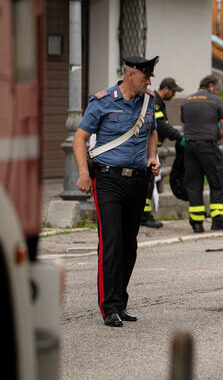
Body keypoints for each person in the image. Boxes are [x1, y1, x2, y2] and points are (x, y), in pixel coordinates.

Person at [72, 56, 161, 327]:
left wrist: (152, 157)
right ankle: (108, 306)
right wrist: (84, 174)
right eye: (145, 77)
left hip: (137, 180)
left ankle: (121, 302)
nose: (148, 82)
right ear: (131, 74)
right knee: (111, 243)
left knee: (129, 245)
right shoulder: (102, 101)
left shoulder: (148, 101)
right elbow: (80, 138)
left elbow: (152, 131)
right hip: (108, 180)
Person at [181, 75, 223, 233]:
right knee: (218, 180)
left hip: (190, 146)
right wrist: (214, 138)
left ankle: (197, 223)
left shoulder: (187, 101)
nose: (217, 92)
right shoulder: (216, 101)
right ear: (211, 86)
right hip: (208, 145)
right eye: (217, 89)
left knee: (194, 184)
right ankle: (217, 220)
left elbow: (184, 128)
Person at [140, 77, 185, 228]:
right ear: (166, 88)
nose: (174, 95)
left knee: (148, 182)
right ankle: (144, 216)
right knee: (148, 183)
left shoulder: (158, 101)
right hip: (146, 149)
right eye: (173, 91)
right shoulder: (155, 101)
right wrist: (178, 136)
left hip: (149, 148)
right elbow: (160, 125)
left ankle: (142, 214)